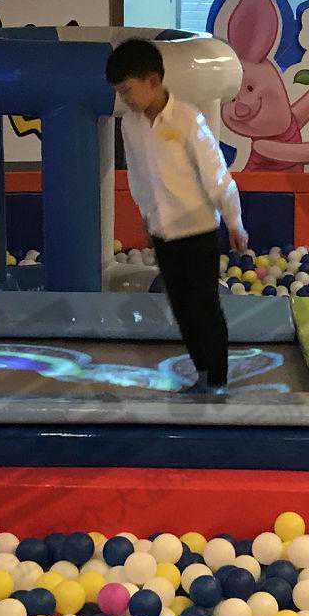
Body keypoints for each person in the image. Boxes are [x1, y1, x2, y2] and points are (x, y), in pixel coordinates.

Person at [109, 38, 247, 394]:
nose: (125, 99)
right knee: (182, 307)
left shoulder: (186, 118)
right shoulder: (131, 125)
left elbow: (215, 172)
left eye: (127, 90)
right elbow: (138, 175)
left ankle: (217, 378)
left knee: (205, 305)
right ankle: (202, 373)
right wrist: (146, 216)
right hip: (164, 231)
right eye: (120, 93)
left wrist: (234, 220)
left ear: (152, 81)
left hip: (198, 229)